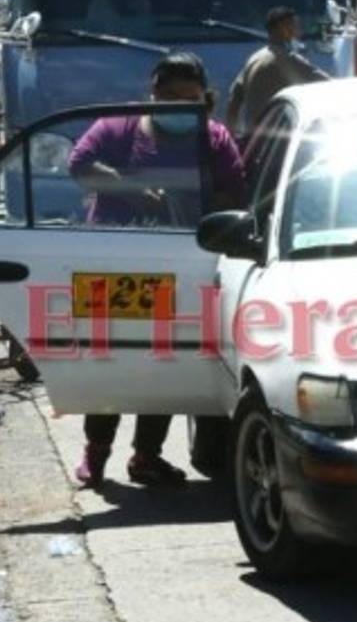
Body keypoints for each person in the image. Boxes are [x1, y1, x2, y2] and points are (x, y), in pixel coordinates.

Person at [67, 53, 246, 487]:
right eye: (168, 97)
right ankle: (96, 452)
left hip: (185, 268)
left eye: (189, 98)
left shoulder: (214, 139)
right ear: (152, 95)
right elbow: (80, 164)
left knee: (165, 364)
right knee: (109, 362)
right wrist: (134, 189)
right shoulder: (118, 127)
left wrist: (193, 208)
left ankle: (146, 456)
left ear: (205, 99)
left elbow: (235, 192)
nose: (178, 106)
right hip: (116, 267)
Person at [227, 6, 329, 136]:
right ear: (282, 27)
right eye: (294, 25)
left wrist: (231, 135)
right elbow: (327, 84)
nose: (298, 30)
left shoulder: (254, 59)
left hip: (252, 139)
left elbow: (234, 100)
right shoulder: (288, 59)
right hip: (278, 140)